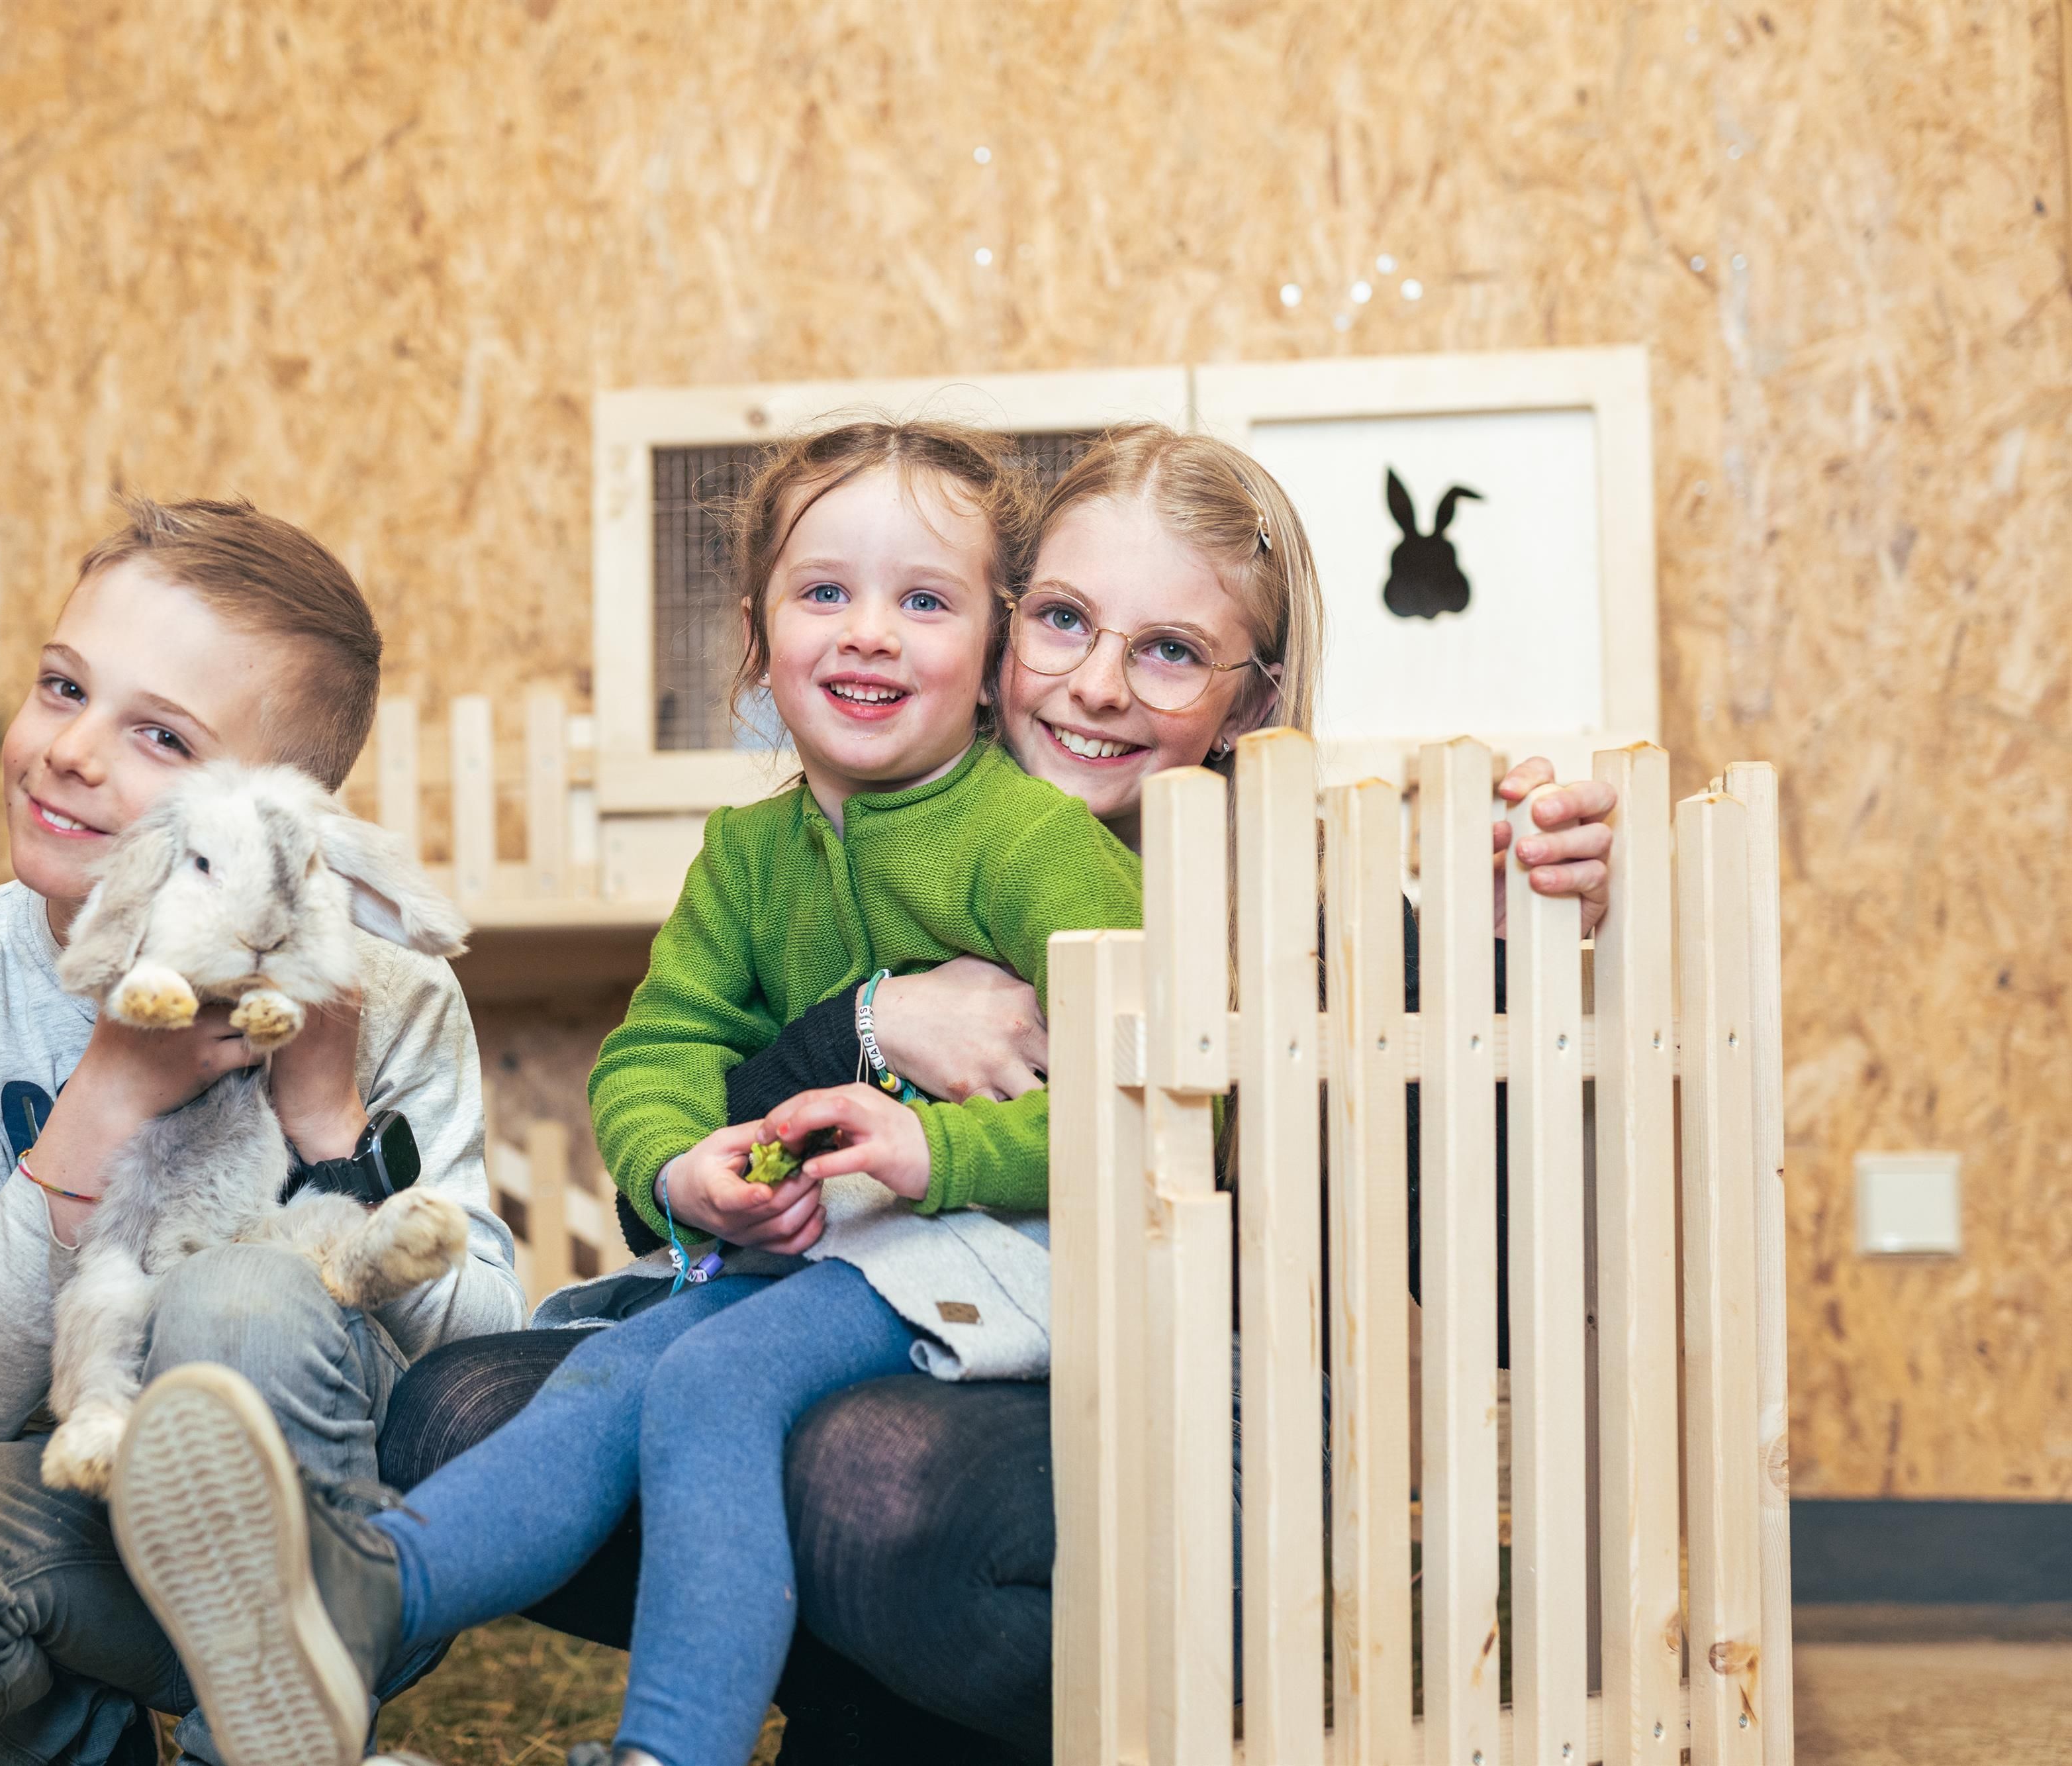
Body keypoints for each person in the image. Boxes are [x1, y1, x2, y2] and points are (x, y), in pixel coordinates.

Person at [376, 422, 1620, 1764]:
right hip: (869, 1314)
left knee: (843, 1452)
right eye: (1064, 621)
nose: (1095, 686)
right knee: (461, 1407)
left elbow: (1494, 1281)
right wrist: (865, 1026)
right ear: (1003, 627)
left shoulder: (1316, 906)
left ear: (1249, 705)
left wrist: (1497, 965)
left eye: (1169, 650)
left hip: (1180, 1403)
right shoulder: (881, 821)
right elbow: (682, 1134)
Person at [100, 416, 1151, 1766]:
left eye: (925, 602)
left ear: (996, 648)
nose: (869, 633)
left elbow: (1157, 1107)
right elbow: (657, 1052)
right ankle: (361, 1595)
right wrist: (681, 1167)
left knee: (710, 1380)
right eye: (824, 591)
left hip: (997, 1251)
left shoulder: (1035, 843)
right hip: (833, 1258)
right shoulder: (751, 855)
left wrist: (934, 1151)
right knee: (614, 1371)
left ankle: (667, 1745)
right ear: (756, 637)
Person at [0, 496, 523, 1766]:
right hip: (80, 1512)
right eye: (64, 688)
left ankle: (267, 1738)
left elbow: (486, 1357)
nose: (71, 751)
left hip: (344, 1541)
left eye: (161, 735)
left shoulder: (387, 996)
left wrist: (328, 1123)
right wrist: (103, 1103)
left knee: (241, 1298)